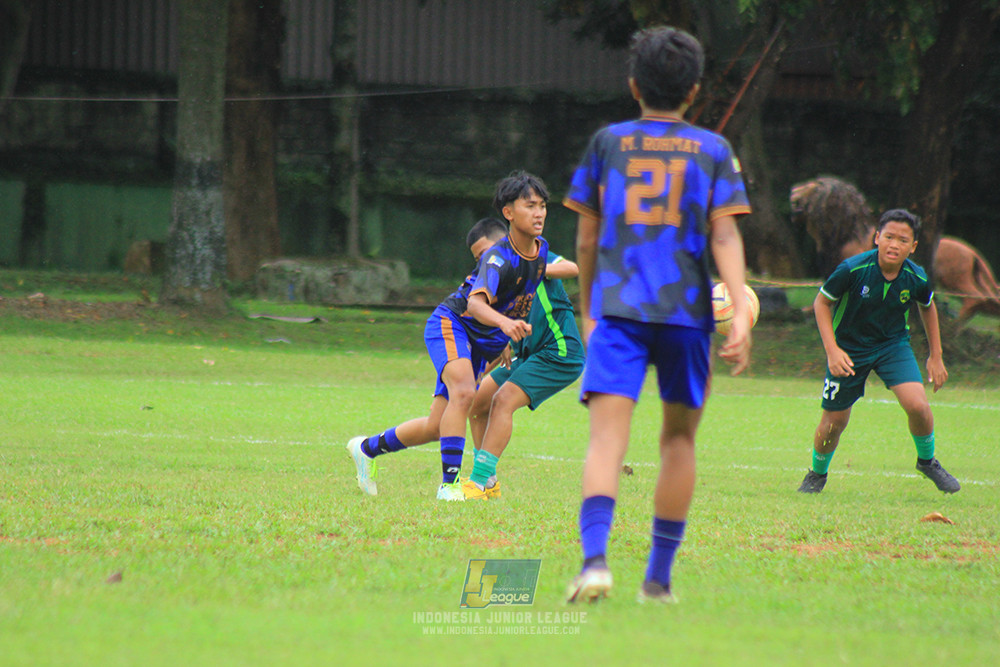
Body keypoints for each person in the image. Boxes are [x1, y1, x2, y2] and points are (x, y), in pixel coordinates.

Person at [562, 26, 752, 605]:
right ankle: (658, 580)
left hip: (618, 311)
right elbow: (725, 231)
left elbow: (588, 237)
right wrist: (740, 306)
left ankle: (595, 563)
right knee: (677, 442)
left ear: (632, 84)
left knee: (606, 441)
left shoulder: (607, 143)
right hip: (688, 317)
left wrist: (589, 307)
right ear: (694, 90)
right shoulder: (714, 151)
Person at [345, 171, 550, 501]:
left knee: (436, 425)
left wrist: (510, 338)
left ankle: (366, 449)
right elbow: (475, 303)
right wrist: (505, 326)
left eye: (542, 205)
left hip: (484, 342)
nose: (539, 212)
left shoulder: (539, 254)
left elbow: (521, 300)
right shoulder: (498, 259)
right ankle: (450, 486)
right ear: (509, 213)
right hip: (452, 324)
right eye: (531, 205)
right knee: (465, 393)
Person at [797, 208, 959, 494]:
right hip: (848, 349)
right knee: (834, 422)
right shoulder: (852, 269)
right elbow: (821, 303)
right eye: (889, 237)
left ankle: (927, 461)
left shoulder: (916, 277)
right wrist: (832, 350)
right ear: (877, 238)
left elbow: (928, 306)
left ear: (913, 247)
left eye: (902, 240)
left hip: (892, 346)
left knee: (918, 405)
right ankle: (816, 475)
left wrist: (936, 355)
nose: (894, 244)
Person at [459, 219, 585, 501]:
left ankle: (477, 483)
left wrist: (535, 269)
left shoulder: (531, 256)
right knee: (478, 404)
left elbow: (572, 268)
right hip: (529, 354)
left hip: (559, 351)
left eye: (484, 254)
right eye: (478, 259)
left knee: (503, 400)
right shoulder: (498, 287)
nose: (483, 262)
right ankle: (487, 481)